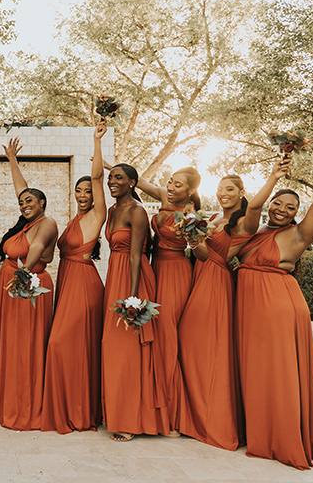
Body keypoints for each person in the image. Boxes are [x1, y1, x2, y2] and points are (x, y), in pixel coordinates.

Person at [229, 153, 313, 470]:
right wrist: (274, 175)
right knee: (255, 371)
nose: (282, 211)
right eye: (279, 204)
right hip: (251, 308)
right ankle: (259, 430)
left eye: (290, 209)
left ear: (296, 216)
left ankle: (279, 438)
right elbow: (254, 207)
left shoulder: (299, 234)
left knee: (276, 372)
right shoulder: (254, 229)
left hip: (277, 306)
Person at [40, 121, 107, 434]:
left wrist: (96, 142)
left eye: (88, 191)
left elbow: (97, 176)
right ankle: (67, 407)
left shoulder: (96, 215)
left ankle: (77, 412)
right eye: (78, 191)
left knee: (61, 345)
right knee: (69, 347)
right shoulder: (75, 218)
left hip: (83, 284)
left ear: (96, 195)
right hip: (68, 282)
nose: (83, 194)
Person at [128, 165, 202, 432]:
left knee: (167, 338)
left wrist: (194, 235)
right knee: (154, 336)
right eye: (170, 182)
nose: (171, 188)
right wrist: (105, 162)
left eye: (178, 185)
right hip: (154, 270)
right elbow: (138, 181)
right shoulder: (163, 197)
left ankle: (171, 414)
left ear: (191, 191)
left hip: (175, 273)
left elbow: (201, 253)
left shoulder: (191, 215)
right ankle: (151, 405)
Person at [100, 163, 170, 441]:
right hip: (114, 277)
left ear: (132, 183)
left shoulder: (137, 211)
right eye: (110, 178)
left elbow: (135, 255)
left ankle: (130, 420)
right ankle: (115, 413)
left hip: (133, 279)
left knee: (129, 348)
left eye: (118, 178)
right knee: (112, 346)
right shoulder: (112, 210)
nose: (112, 182)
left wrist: (132, 298)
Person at [0, 138, 58, 430]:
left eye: (30, 201)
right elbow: (22, 189)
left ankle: (26, 406)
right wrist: (12, 160)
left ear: (42, 203)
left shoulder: (48, 223)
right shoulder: (26, 220)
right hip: (12, 287)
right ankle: (8, 402)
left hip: (29, 287)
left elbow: (36, 249)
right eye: (21, 203)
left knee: (26, 348)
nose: (24, 204)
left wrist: (23, 273)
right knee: (12, 346)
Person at [177, 175, 246, 450]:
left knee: (211, 349)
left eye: (229, 189)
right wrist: (191, 236)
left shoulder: (240, 223)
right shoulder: (214, 215)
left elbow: (216, 256)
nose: (223, 194)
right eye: (219, 189)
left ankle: (214, 421)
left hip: (216, 282)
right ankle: (194, 416)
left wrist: (193, 238)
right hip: (200, 277)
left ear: (241, 192)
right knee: (191, 343)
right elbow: (199, 252)